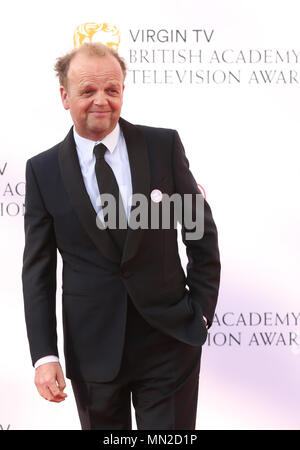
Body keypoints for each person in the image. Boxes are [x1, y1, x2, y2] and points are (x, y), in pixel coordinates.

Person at [22, 42, 220, 430]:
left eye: (112, 90)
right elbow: (38, 273)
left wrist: (201, 312)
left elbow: (200, 233)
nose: (102, 101)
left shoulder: (163, 146)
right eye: (88, 91)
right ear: (65, 96)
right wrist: (44, 355)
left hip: (169, 341)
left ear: (123, 92)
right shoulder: (41, 171)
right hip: (92, 349)